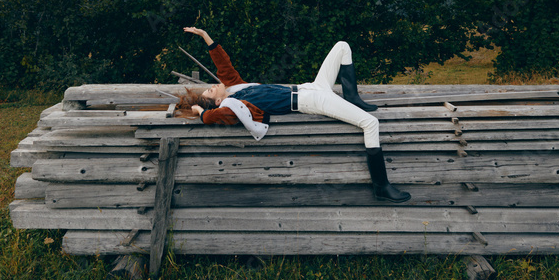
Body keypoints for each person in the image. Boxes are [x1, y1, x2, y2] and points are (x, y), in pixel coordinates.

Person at [175, 26, 410, 203]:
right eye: (210, 90)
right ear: (217, 102)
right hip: (312, 101)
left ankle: (353, 98)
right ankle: (381, 186)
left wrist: (205, 36)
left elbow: (223, 65)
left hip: (311, 87)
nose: (213, 84)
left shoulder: (236, 87)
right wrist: (201, 113)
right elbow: (215, 117)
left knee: (342, 46)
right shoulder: (234, 105)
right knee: (371, 123)